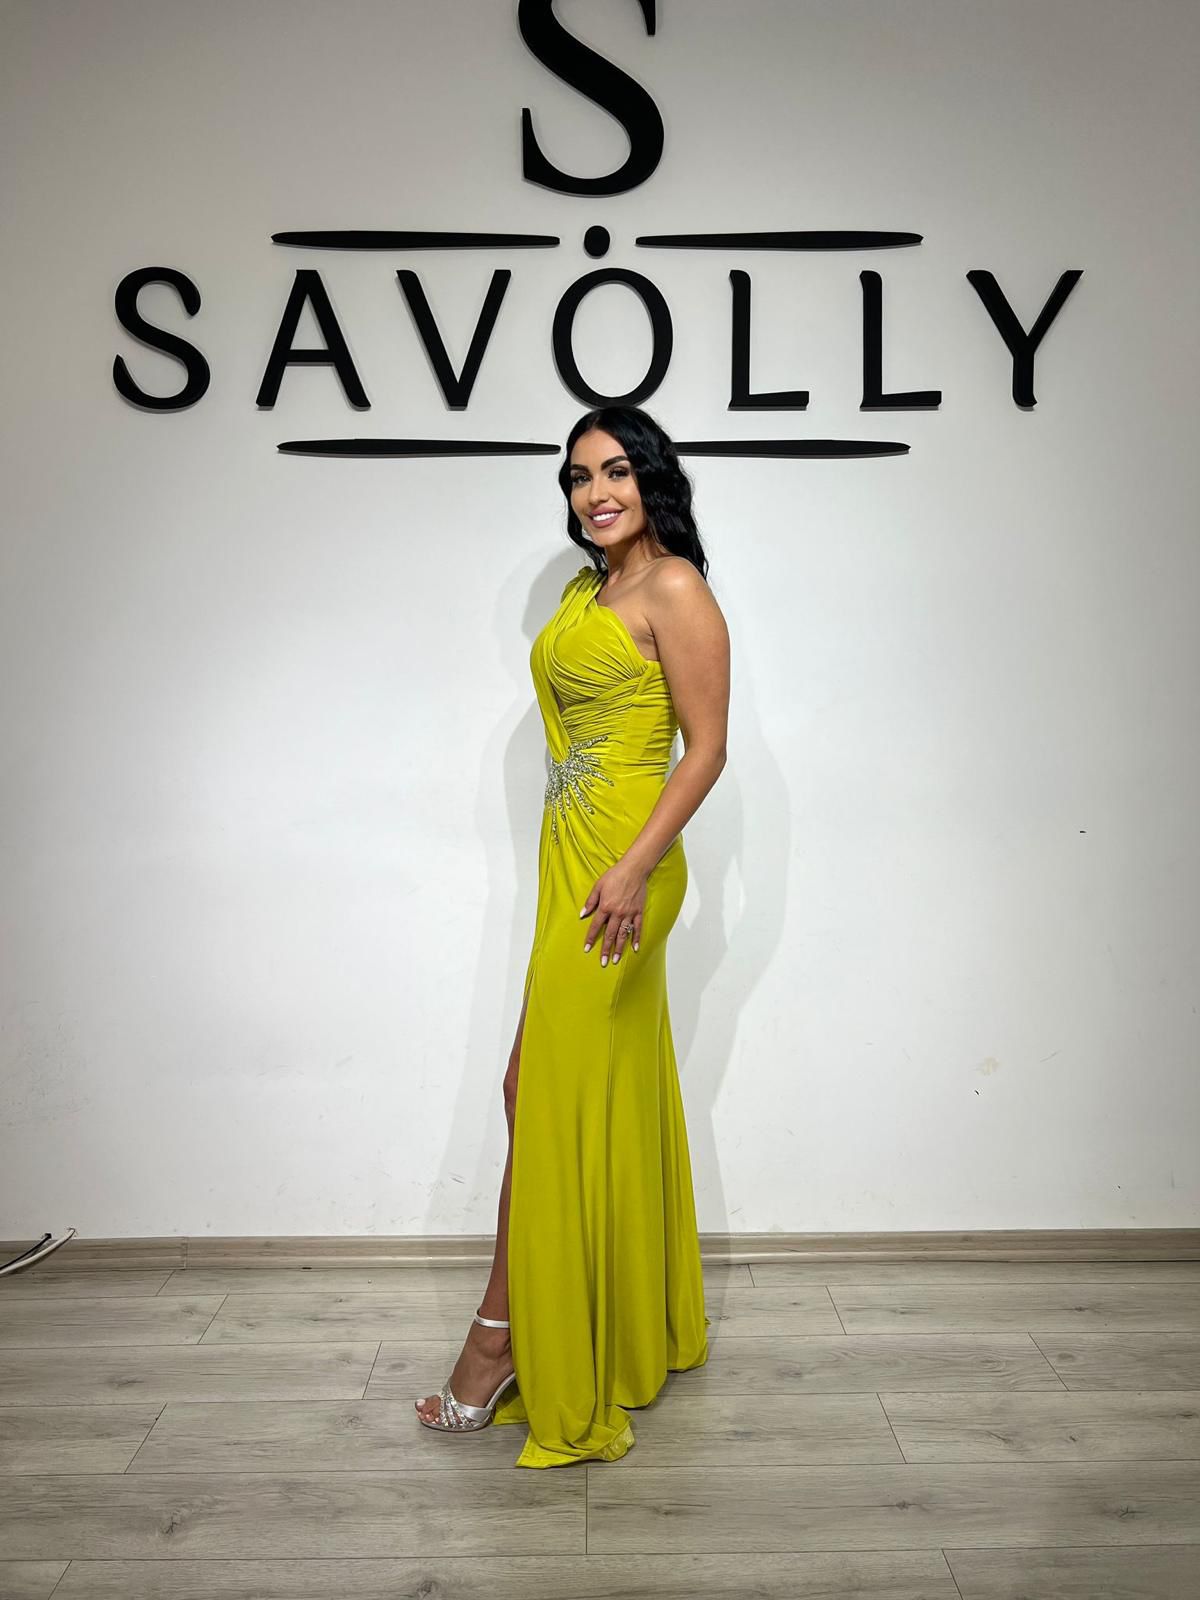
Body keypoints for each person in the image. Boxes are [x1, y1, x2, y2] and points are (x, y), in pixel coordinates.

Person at [415, 404, 731, 1466]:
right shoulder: (582, 593)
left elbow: (706, 749)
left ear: (652, 480)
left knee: (539, 1090)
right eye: (578, 476)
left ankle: (495, 1341)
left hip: (626, 869)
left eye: (615, 471)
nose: (595, 492)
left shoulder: (675, 589)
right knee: (545, 1088)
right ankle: (610, 1318)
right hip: (572, 859)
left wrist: (634, 867)